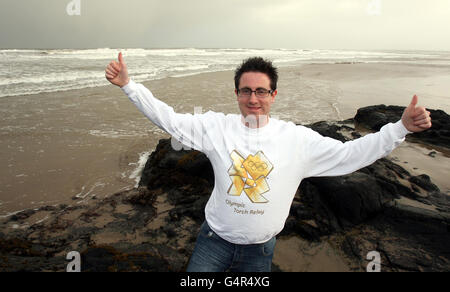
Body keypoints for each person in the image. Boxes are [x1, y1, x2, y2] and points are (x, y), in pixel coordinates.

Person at [105, 52, 432, 272]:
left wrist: (399, 128)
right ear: (236, 94)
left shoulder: (298, 140)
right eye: (245, 91)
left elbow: (350, 155)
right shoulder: (215, 127)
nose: (253, 99)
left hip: (260, 250)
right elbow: (169, 119)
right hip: (212, 242)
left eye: (261, 91)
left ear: (274, 95)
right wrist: (129, 86)